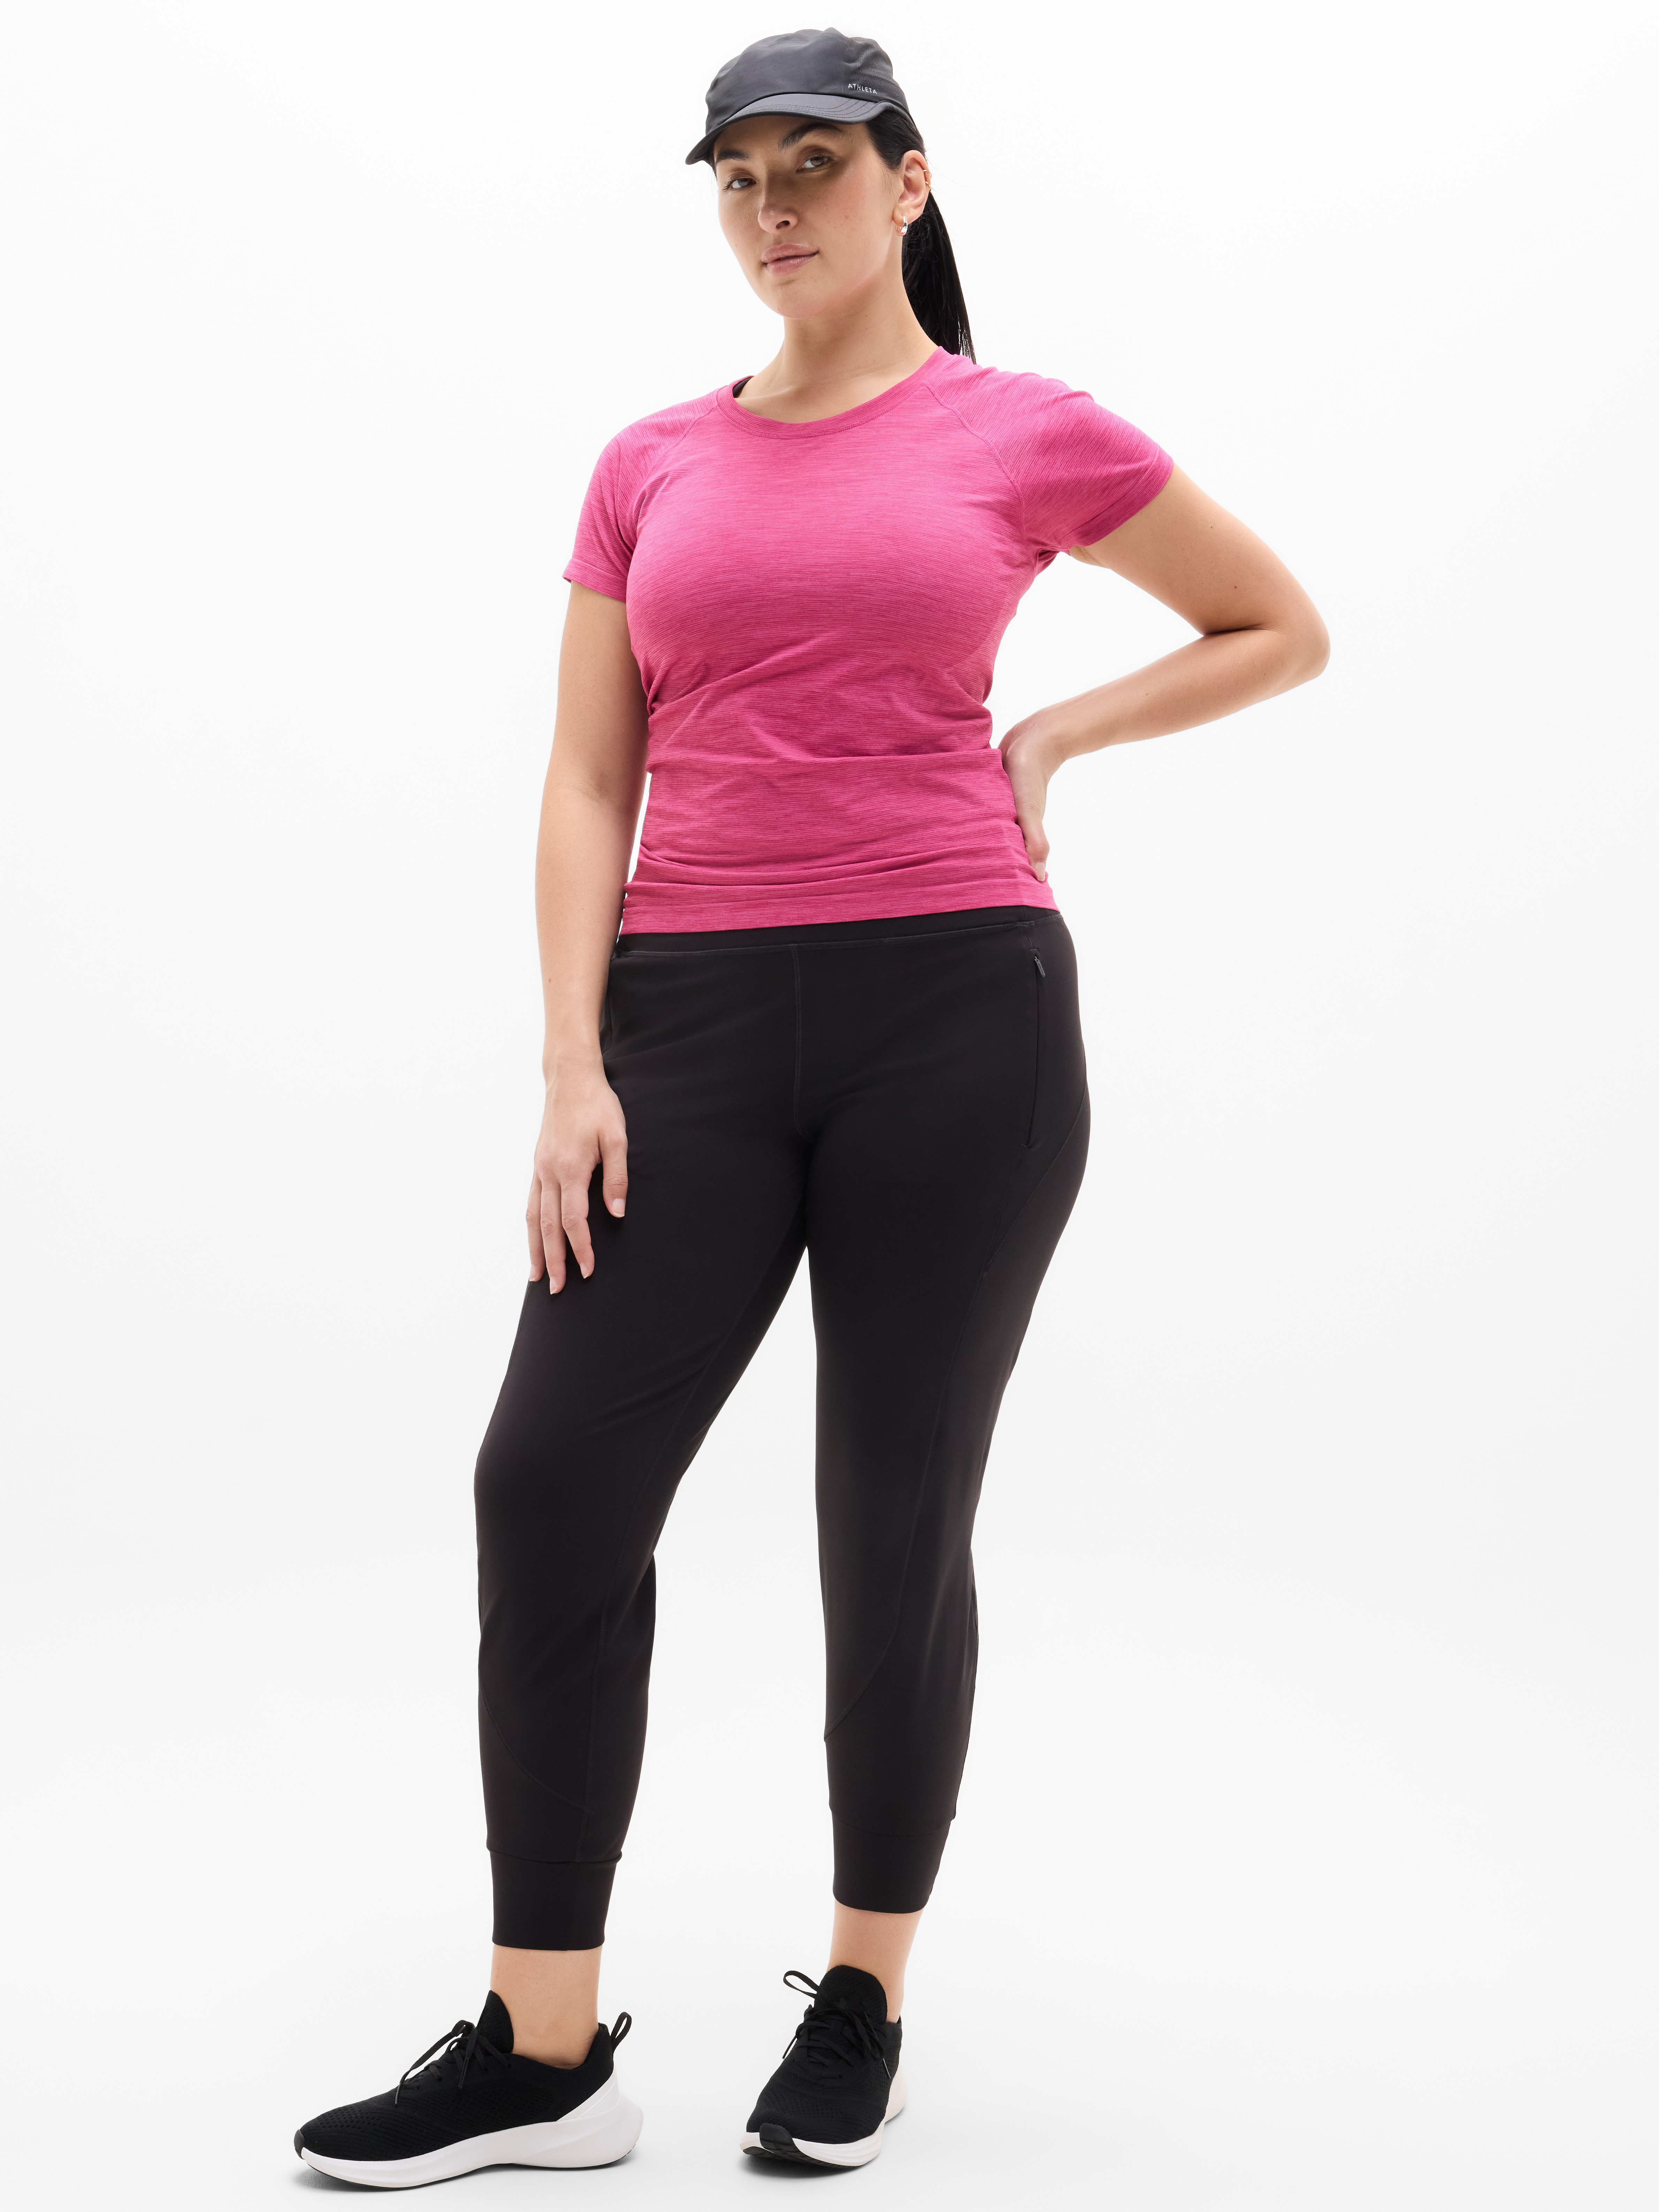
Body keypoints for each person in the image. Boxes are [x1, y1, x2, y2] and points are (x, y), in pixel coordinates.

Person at [293, 25, 1329, 2187]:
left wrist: (1052, 740)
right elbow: (588, 775)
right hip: (677, 1025)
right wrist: (570, 1061)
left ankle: (861, 1996)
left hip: (955, 1014)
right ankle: (543, 2051)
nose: (773, 207)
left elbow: (1273, 625)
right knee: (549, 1482)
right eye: (739, 175)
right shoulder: (650, 461)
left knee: (890, 1513)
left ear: (906, 185)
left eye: (814, 166)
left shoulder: (1022, 430)